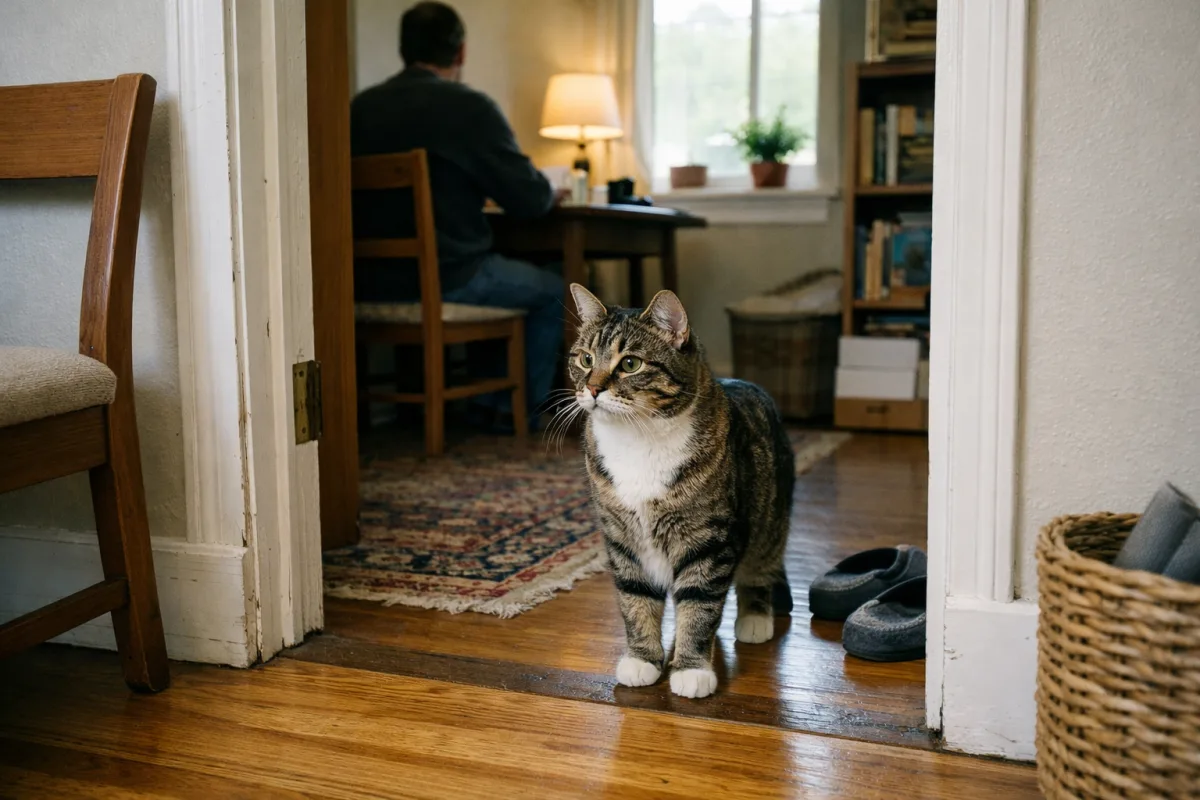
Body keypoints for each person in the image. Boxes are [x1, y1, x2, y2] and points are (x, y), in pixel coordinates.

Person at [350, 1, 564, 430]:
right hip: (450, 278)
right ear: (461, 52)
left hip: (366, 282)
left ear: (403, 50)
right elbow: (529, 200)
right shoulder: (469, 108)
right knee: (557, 290)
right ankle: (508, 413)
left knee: (499, 270)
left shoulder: (358, 109)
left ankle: (473, 404)